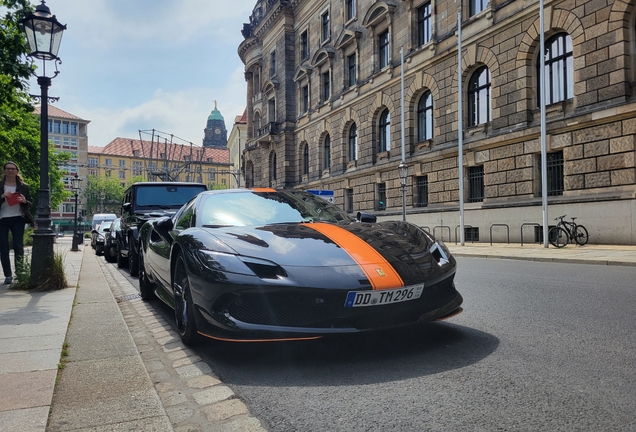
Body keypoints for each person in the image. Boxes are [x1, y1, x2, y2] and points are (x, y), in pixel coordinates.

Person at [0, 161, 33, 284]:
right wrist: (2, 196)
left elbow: (30, 203)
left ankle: (20, 273)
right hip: (2, 219)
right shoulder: (0, 185)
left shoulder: (24, 186)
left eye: (12, 169)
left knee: (18, 246)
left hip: (18, 218)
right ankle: (8, 275)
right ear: (4, 171)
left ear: (16, 171)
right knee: (3, 247)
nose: (10, 171)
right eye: (7, 168)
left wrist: (24, 201)